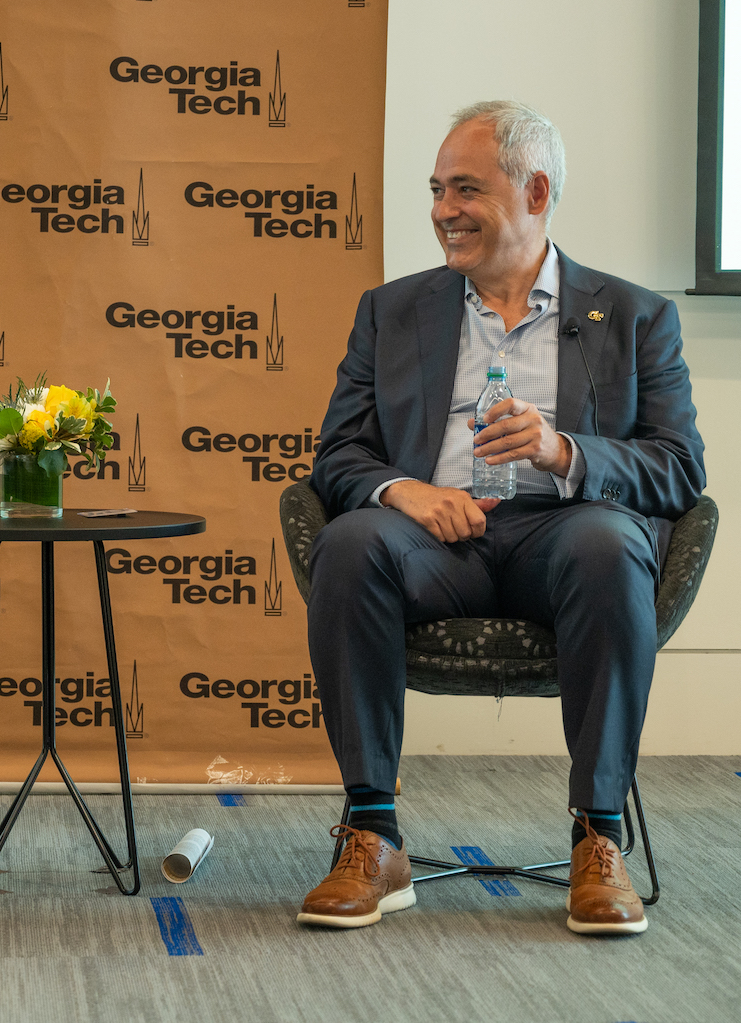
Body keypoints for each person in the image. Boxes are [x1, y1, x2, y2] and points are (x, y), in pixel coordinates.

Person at [297, 101, 705, 936]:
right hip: (435, 537)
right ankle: (372, 834)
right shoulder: (393, 310)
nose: (445, 210)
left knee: (607, 542)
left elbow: (679, 468)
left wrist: (566, 454)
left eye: (468, 189)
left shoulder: (632, 316)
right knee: (350, 543)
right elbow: (336, 457)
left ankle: (599, 835)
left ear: (536, 191)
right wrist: (402, 491)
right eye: (438, 190)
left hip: (563, 534)